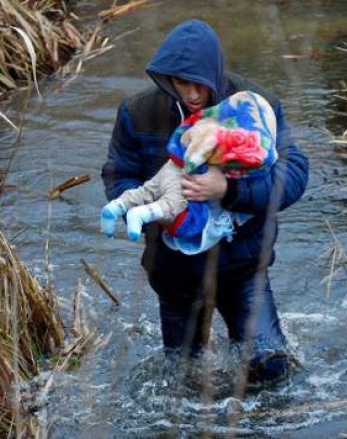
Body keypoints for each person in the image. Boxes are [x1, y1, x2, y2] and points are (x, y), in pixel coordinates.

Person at [101, 19, 309, 384]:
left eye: (200, 84)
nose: (192, 94)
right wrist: (152, 210)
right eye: (182, 83)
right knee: (182, 378)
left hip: (244, 268)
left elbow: (293, 178)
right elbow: (120, 176)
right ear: (167, 79)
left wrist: (227, 190)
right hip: (173, 272)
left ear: (215, 75)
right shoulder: (137, 113)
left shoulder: (255, 107)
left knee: (271, 370)